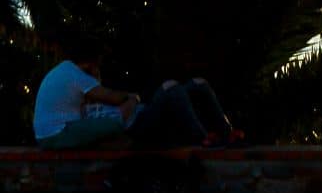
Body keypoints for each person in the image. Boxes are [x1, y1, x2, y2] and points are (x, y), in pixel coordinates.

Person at [32, 46, 236, 151]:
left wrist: (131, 99)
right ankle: (202, 137)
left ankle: (227, 132)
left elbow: (111, 97)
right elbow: (120, 115)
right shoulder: (85, 109)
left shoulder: (80, 92)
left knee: (198, 83)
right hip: (139, 124)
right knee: (170, 88)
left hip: (141, 112)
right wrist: (132, 100)